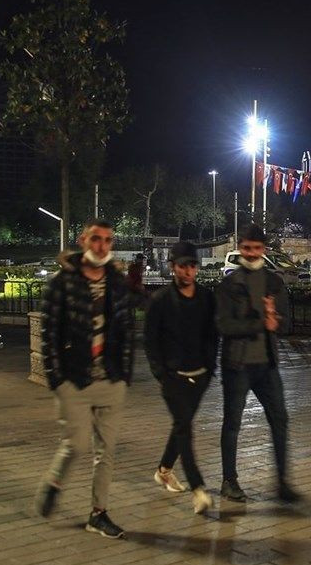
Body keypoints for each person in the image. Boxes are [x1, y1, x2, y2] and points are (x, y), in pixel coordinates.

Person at [34, 220, 135, 539]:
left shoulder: (117, 282)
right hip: (74, 381)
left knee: (106, 452)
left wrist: (125, 375)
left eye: (108, 240)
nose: (102, 246)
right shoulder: (62, 283)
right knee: (75, 444)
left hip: (111, 380)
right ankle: (54, 482)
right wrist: (56, 379)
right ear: (83, 240)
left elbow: (126, 330)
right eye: (96, 239)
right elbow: (48, 334)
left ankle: (99, 513)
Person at [216, 224, 301, 505]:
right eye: (247, 248)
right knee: (232, 423)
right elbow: (225, 325)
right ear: (240, 248)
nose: (251, 253)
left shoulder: (274, 283)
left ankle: (282, 482)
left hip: (267, 364)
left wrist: (276, 323)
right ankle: (229, 481)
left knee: (280, 420)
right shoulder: (230, 284)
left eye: (257, 248)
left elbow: (286, 324)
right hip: (237, 364)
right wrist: (260, 322)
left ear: (263, 251)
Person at [144, 242, 217, 515]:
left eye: (192, 266)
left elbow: (212, 335)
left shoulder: (207, 298)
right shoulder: (160, 300)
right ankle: (198, 488)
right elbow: (150, 340)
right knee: (185, 429)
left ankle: (164, 470)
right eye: (182, 266)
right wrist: (161, 374)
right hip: (173, 377)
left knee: (181, 425)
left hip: (200, 375)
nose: (188, 271)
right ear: (173, 267)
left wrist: (210, 368)